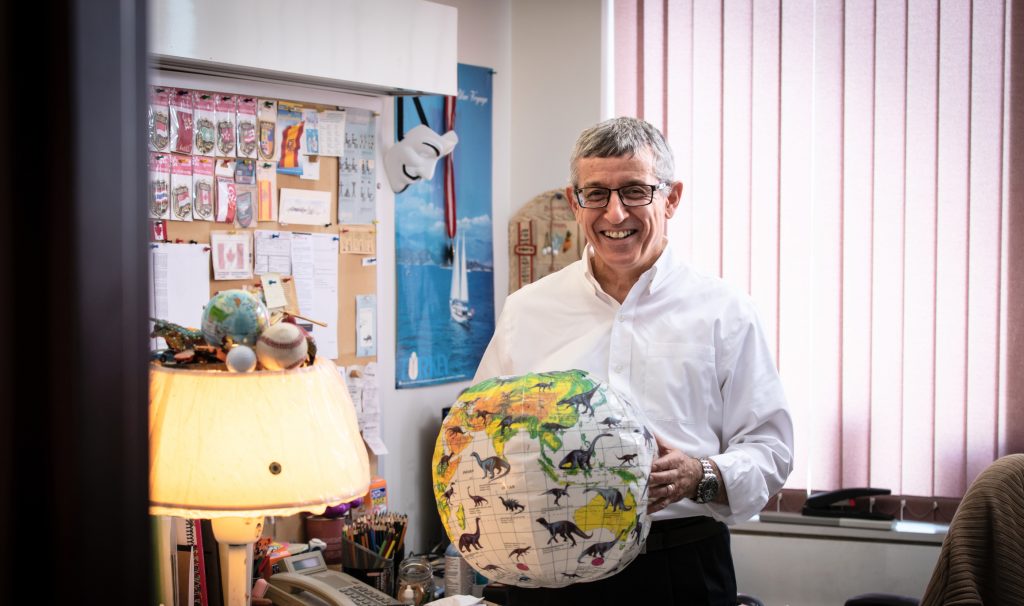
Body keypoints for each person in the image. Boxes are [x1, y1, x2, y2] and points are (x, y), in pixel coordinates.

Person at [473, 117, 794, 605]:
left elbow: (771, 451)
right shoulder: (527, 309)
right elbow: (480, 432)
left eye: (635, 191)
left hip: (678, 570)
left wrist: (701, 474)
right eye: (596, 193)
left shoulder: (725, 311)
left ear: (671, 198)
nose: (615, 212)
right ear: (574, 199)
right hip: (548, 575)